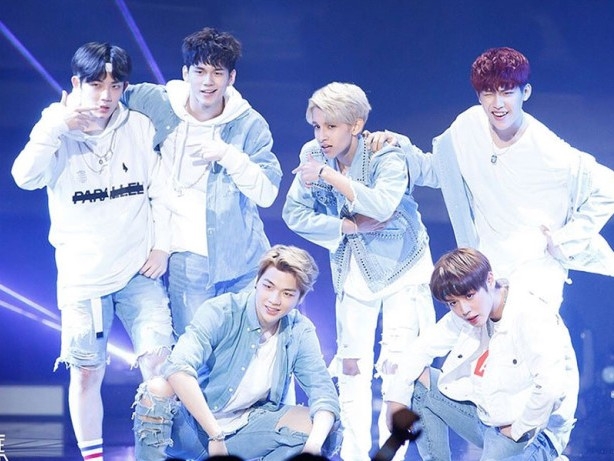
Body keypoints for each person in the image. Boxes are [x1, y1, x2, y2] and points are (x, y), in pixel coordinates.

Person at [11, 42, 174, 461]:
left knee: (160, 365)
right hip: (84, 276)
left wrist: (162, 246)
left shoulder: (138, 127)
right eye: (97, 84)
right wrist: (56, 127)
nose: (106, 95)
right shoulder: (54, 127)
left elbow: (161, 191)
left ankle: (153, 454)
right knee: (86, 373)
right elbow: (23, 177)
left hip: (138, 269)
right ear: (76, 83)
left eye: (115, 86)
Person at [367, 46, 614, 310]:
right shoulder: (468, 125)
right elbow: (437, 172)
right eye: (488, 93)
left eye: (507, 92)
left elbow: (608, 186)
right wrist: (399, 148)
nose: (497, 104)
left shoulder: (545, 147)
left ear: (525, 93)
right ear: (479, 95)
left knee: (529, 333)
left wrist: (565, 240)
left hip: (536, 272)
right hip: (486, 268)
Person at [282, 82, 436, 461]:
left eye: (331, 126)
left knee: (397, 369)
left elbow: (382, 205)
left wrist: (330, 176)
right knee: (351, 368)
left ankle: (392, 456)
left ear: (356, 124)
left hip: (403, 266)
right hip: (354, 267)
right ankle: (352, 455)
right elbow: (293, 213)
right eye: (317, 126)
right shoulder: (313, 155)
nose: (322, 136)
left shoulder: (386, 153)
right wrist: (345, 226)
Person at [121, 27, 282, 336]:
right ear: (186, 73)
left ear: (231, 78)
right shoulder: (160, 102)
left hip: (243, 261)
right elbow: (110, 94)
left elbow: (267, 194)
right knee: (195, 352)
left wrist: (228, 155)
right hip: (188, 261)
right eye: (200, 71)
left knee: (249, 352)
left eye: (217, 73)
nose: (208, 82)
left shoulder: (249, 124)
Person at [132, 244, 342, 461]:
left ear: (300, 298)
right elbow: (177, 367)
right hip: (194, 428)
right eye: (268, 286)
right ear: (257, 282)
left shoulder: (299, 330)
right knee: (155, 390)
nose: (274, 300)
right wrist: (215, 435)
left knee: (322, 427)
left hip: (246, 430)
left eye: (287, 294)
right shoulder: (222, 311)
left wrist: (313, 448)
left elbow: (324, 394)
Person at [385, 247, 579, 461]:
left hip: (531, 433)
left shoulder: (531, 316)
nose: (463, 309)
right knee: (420, 383)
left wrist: (518, 430)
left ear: (489, 280)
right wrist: (396, 401)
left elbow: (551, 389)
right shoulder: (467, 314)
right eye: (453, 303)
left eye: (469, 296)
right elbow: (419, 350)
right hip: (488, 417)